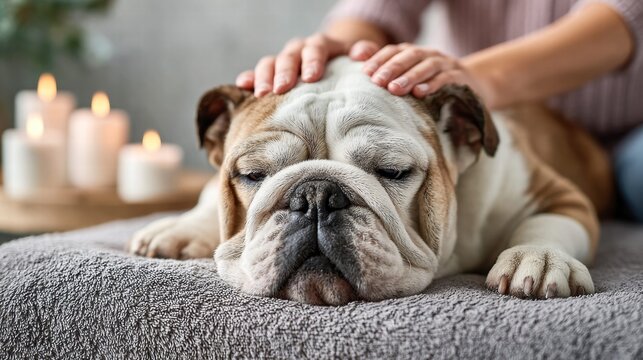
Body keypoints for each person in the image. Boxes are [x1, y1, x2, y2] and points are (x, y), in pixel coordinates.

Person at [235, 0, 643, 222]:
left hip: (625, 132)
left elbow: (624, 20)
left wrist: (478, 79)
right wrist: (335, 53)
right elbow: (374, 11)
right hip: (488, 120)